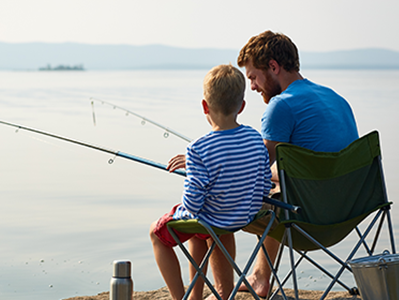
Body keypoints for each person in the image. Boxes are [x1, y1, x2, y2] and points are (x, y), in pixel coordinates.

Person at [235, 30, 360, 298]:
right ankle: (260, 276)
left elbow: (253, 171)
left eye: (254, 77)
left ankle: (229, 285)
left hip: (305, 219)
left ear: (273, 67)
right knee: (276, 189)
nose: (253, 87)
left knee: (224, 197)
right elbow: (330, 164)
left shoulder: (281, 106)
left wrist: (205, 160)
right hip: (350, 210)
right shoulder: (337, 99)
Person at [150, 64, 272, 300]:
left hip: (213, 220)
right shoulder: (255, 139)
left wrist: (181, 211)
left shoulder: (198, 149)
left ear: (205, 106)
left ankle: (179, 298)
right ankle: (198, 295)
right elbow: (264, 184)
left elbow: (193, 204)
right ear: (242, 106)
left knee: (157, 234)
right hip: (245, 216)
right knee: (201, 232)